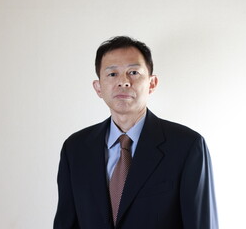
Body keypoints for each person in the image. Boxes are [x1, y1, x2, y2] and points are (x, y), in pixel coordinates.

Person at [54, 36, 218, 229]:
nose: (123, 82)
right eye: (112, 74)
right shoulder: (75, 149)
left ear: (152, 83)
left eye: (133, 72)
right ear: (98, 88)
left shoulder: (187, 146)